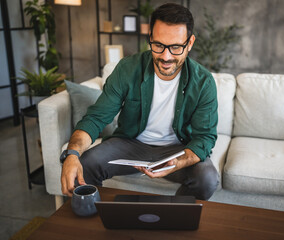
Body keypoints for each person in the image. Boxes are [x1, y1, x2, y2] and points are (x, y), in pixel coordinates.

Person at [60, 3, 219, 200]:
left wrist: (177, 163)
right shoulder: (127, 69)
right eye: (158, 45)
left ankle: (173, 216)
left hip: (177, 149)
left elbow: (205, 138)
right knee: (86, 163)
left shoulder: (203, 82)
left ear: (190, 43)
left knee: (207, 178)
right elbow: (96, 118)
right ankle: (96, 219)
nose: (165, 56)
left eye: (176, 47)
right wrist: (72, 154)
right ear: (150, 38)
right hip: (131, 144)